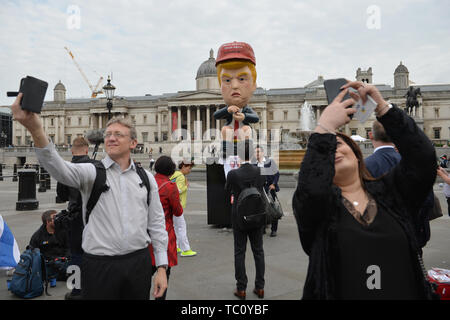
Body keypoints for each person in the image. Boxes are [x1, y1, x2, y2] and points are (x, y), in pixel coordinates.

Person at [11, 93, 168, 300]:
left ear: (133, 143)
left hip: (138, 262)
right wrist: (35, 128)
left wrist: (162, 267)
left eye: (119, 134)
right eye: (108, 134)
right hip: (99, 264)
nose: (111, 138)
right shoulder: (92, 172)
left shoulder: (146, 178)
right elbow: (58, 168)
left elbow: (156, 223)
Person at [292, 81, 438, 300]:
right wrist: (323, 129)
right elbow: (312, 189)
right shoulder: (321, 208)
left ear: (356, 153)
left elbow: (423, 159)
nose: (334, 149)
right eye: (329, 147)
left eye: (340, 144)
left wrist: (382, 108)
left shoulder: (392, 193)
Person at [225, 140, 266, 300]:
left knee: (239, 252)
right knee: (259, 251)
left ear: (239, 155)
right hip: (257, 214)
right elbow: (261, 188)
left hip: (239, 216)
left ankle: (241, 288)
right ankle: (260, 287)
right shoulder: (260, 171)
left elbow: (227, 190)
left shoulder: (233, 174)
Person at [54, 137, 90, 300]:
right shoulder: (96, 167)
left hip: (75, 217)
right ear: (87, 150)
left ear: (72, 150)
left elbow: (61, 196)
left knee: (75, 253)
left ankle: (76, 290)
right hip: (93, 217)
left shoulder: (66, 169)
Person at [213, 41, 259, 162]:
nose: (234, 86)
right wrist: (227, 110)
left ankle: (246, 152)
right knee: (225, 130)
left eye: (242, 79)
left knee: (246, 130)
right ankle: (226, 152)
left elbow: (255, 118)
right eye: (227, 80)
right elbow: (216, 115)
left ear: (254, 85)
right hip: (230, 132)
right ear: (220, 86)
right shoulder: (228, 109)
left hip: (242, 132)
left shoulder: (246, 109)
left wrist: (244, 116)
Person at [149, 156, 183, 300]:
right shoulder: (169, 186)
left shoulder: (147, 182)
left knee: (143, 275)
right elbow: (178, 211)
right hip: (164, 232)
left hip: (144, 233)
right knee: (163, 272)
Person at [29, 210, 70, 286]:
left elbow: (69, 248)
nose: (58, 219)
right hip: (48, 264)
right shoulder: (37, 236)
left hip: (63, 261)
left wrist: (65, 258)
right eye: (55, 218)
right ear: (48, 222)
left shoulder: (64, 230)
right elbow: (33, 254)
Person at [170, 160, 197, 257]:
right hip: (177, 205)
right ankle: (185, 249)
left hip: (171, 205)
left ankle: (176, 246)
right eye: (189, 168)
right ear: (184, 167)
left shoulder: (174, 174)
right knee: (181, 227)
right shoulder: (181, 177)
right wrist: (186, 186)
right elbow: (178, 190)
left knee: (175, 227)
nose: (189, 170)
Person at [253, 145, 280, 237]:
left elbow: (277, 174)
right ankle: (262, 228)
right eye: (255, 152)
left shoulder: (270, 162)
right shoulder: (254, 164)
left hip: (269, 189)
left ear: (262, 153)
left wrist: (273, 184)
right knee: (261, 209)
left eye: (258, 152)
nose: (257, 154)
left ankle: (274, 230)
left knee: (272, 209)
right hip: (259, 190)